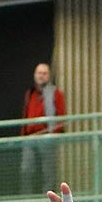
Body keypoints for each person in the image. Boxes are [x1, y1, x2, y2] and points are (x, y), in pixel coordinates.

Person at [21, 63, 67, 195]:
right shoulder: (30, 93)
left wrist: (54, 134)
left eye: (44, 73)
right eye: (39, 73)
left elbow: (61, 116)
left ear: (49, 76)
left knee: (48, 171)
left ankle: (48, 201)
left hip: (47, 137)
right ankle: (27, 201)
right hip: (30, 137)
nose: (41, 76)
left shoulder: (56, 93)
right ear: (35, 75)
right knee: (26, 170)